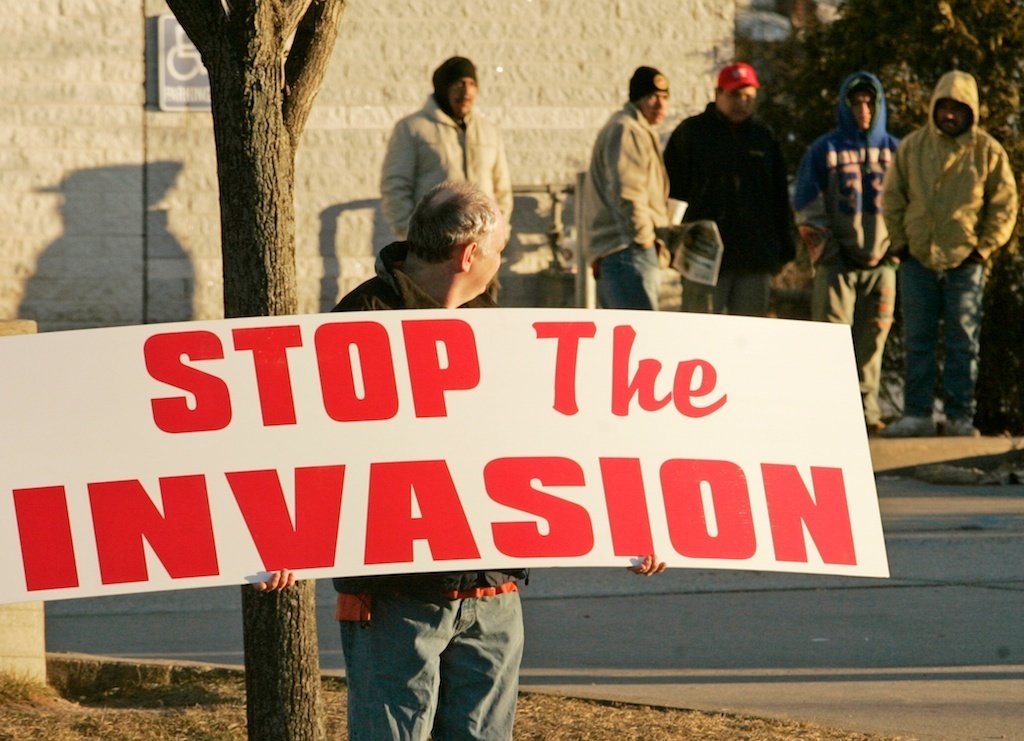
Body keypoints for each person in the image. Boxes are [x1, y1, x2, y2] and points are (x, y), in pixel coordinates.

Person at [258, 182, 667, 741]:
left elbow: (554, 442)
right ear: (469, 254)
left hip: (490, 594)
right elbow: (304, 443)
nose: (504, 261)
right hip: (394, 597)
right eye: (500, 249)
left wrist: (630, 524)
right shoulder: (357, 324)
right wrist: (283, 536)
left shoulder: (495, 328)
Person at [881, 71, 1018, 438]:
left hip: (965, 261)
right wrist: (900, 242)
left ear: (971, 110)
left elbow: (1005, 205)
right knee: (917, 340)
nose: (950, 115)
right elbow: (892, 197)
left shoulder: (988, 151)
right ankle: (917, 414)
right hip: (917, 258)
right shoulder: (912, 147)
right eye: (944, 107)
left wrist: (984, 247)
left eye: (958, 108)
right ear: (934, 107)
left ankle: (960, 417)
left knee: (963, 342)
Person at [793, 72, 901, 436]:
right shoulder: (824, 150)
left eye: (870, 102)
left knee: (874, 340)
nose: (863, 110)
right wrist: (828, 251)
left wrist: (898, 248)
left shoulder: (897, 151)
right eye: (855, 103)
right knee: (830, 340)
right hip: (836, 263)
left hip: (883, 263)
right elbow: (806, 204)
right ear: (844, 106)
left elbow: (913, 204)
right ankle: (829, 414)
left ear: (880, 105)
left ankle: (866, 412)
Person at [663, 62, 795, 316]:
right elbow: (671, 192)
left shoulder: (763, 136)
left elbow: (779, 196)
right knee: (701, 331)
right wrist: (671, 243)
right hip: (703, 259)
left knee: (748, 333)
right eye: (735, 95)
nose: (742, 103)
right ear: (718, 94)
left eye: (749, 97)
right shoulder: (692, 133)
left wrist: (784, 249)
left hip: (754, 259)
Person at [380, 56, 513, 241]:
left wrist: (499, 232)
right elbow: (395, 186)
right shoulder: (411, 128)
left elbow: (502, 189)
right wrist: (412, 235)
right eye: (459, 83)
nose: (466, 91)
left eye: (472, 84)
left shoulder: (489, 131)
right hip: (434, 245)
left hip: (482, 244)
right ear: (443, 87)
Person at [583, 66, 671, 310]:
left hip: (624, 252)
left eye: (665, 97)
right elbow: (627, 193)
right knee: (641, 332)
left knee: (632, 331)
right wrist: (644, 240)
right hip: (627, 251)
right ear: (636, 99)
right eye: (652, 97)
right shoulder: (627, 128)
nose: (660, 104)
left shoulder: (634, 128)